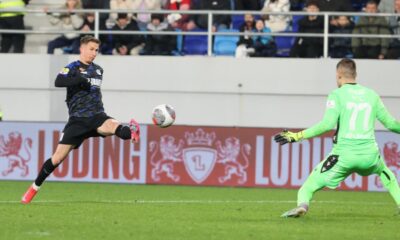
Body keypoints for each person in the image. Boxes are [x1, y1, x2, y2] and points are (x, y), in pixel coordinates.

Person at [21, 35, 140, 204]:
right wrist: (78, 79)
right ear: (82, 48)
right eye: (91, 49)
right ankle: (33, 188)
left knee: (114, 125)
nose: (94, 53)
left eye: (96, 50)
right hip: (77, 120)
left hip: (97, 115)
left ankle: (131, 131)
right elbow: (58, 81)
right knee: (57, 158)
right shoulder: (72, 67)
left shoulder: (99, 70)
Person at [274, 58, 400, 218]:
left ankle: (302, 206)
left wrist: (297, 136)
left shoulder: (337, 95)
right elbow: (391, 124)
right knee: (386, 173)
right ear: (355, 74)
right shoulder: (372, 95)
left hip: (343, 156)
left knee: (308, 186)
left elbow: (327, 124)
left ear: (339, 75)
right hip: (369, 156)